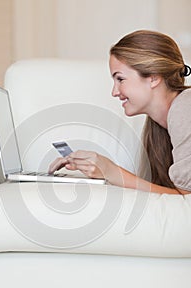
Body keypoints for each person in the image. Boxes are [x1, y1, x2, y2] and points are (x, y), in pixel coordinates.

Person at [49, 30, 191, 195]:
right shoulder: (157, 129)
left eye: (120, 79)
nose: (114, 92)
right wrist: (102, 171)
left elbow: (186, 203)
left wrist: (111, 172)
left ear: (153, 77)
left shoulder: (185, 107)